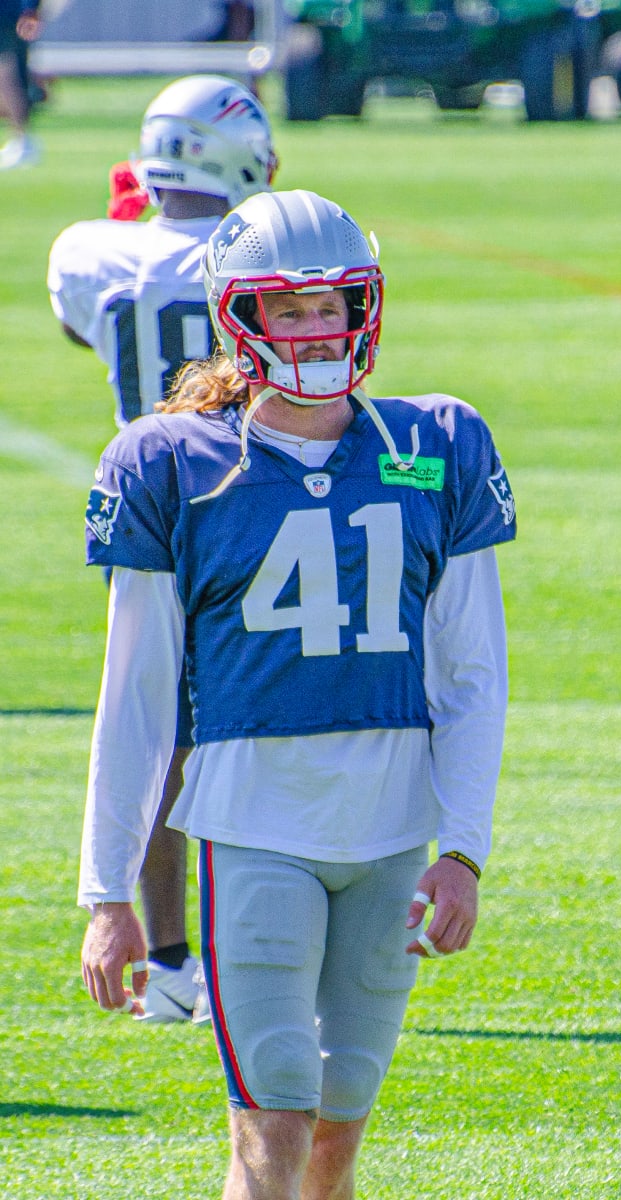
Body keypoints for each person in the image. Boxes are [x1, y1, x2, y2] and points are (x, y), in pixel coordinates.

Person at [78, 188, 516, 1200]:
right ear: (242, 317)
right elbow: (135, 698)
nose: (318, 329)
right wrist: (108, 893)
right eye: (291, 308)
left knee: (332, 1143)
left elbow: (472, 672)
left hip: (393, 835)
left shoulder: (435, 445)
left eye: (335, 305)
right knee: (271, 1125)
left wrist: (465, 850)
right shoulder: (175, 464)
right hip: (253, 826)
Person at [50, 74, 278, 1024]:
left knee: (154, 738)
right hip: (251, 499)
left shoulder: (90, 253)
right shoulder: (256, 253)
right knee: (264, 730)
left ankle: (177, 967)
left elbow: (76, 324)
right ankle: (254, 960)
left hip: (149, 502)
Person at [0, 0, 38, 169]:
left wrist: (28, 8)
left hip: (7, 14)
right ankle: (18, 139)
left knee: (6, 76)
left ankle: (23, 140)